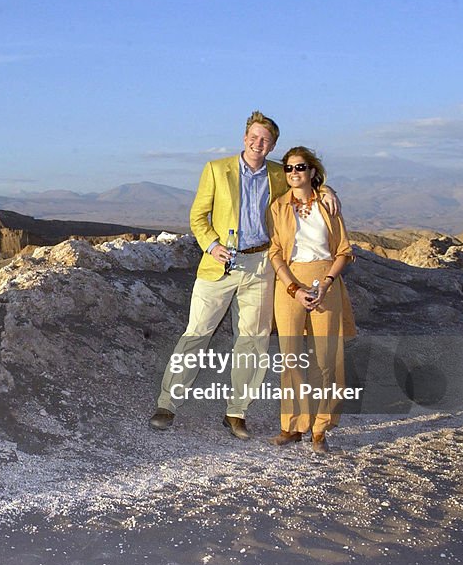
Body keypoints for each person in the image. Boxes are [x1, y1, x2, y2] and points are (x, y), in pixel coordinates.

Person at [149, 111, 339, 437]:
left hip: (261, 266)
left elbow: (305, 182)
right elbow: (198, 216)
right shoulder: (216, 170)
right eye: (253, 136)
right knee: (197, 333)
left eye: (265, 139)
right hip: (219, 264)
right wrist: (211, 245)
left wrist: (325, 191)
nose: (257, 143)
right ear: (244, 137)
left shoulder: (280, 173)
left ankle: (236, 412)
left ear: (273, 145)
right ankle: (167, 403)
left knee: (253, 341)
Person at [267, 146, 356, 453]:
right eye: (289, 168)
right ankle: (292, 426)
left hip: (325, 281)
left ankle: (320, 428)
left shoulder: (328, 206)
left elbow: (344, 250)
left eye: (300, 167)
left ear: (313, 171)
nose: (294, 173)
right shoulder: (279, 206)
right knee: (290, 357)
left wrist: (327, 282)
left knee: (327, 359)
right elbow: (275, 251)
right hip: (289, 282)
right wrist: (293, 288)